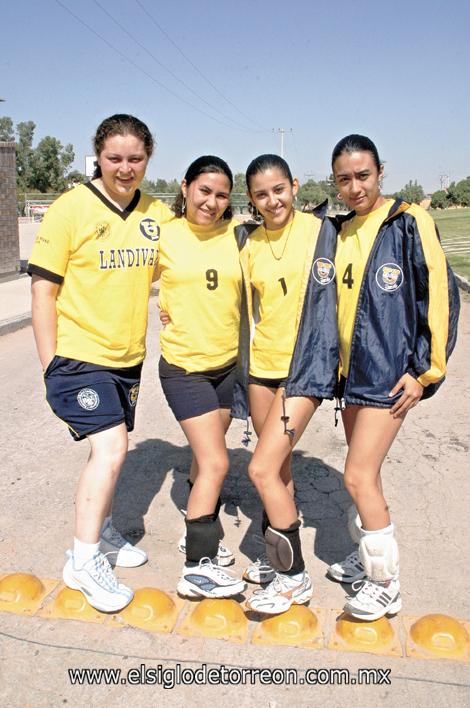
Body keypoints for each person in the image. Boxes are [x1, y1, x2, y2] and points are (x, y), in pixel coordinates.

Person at [27, 114, 174, 612]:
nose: (125, 168)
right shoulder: (70, 208)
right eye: (115, 158)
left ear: (148, 158)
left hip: (126, 357)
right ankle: (84, 560)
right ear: (98, 157)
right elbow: (43, 291)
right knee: (111, 448)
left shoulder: (157, 213)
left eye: (135, 159)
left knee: (112, 452)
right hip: (77, 355)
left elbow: (184, 265)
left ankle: (105, 532)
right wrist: (50, 365)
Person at [326, 134, 460, 620]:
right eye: (344, 178)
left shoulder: (410, 222)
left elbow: (440, 297)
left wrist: (426, 371)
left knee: (357, 474)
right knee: (367, 475)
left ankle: (386, 583)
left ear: (380, 171)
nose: (354, 186)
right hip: (351, 375)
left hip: (389, 374)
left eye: (363, 175)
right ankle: (366, 558)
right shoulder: (337, 229)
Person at [231, 154, 339, 614]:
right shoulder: (247, 241)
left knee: (259, 468)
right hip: (262, 369)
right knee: (278, 472)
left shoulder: (324, 232)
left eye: (279, 189)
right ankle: (278, 561)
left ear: (294, 186)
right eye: (260, 194)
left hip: (306, 370)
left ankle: (294, 580)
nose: (272, 200)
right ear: (251, 199)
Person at [157, 156, 247, 599]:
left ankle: (198, 522)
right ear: (186, 186)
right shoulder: (164, 233)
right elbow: (126, 277)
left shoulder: (238, 235)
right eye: (204, 190)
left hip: (226, 365)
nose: (211, 202)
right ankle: (197, 566)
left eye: (222, 194)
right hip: (184, 367)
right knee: (216, 462)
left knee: (203, 456)